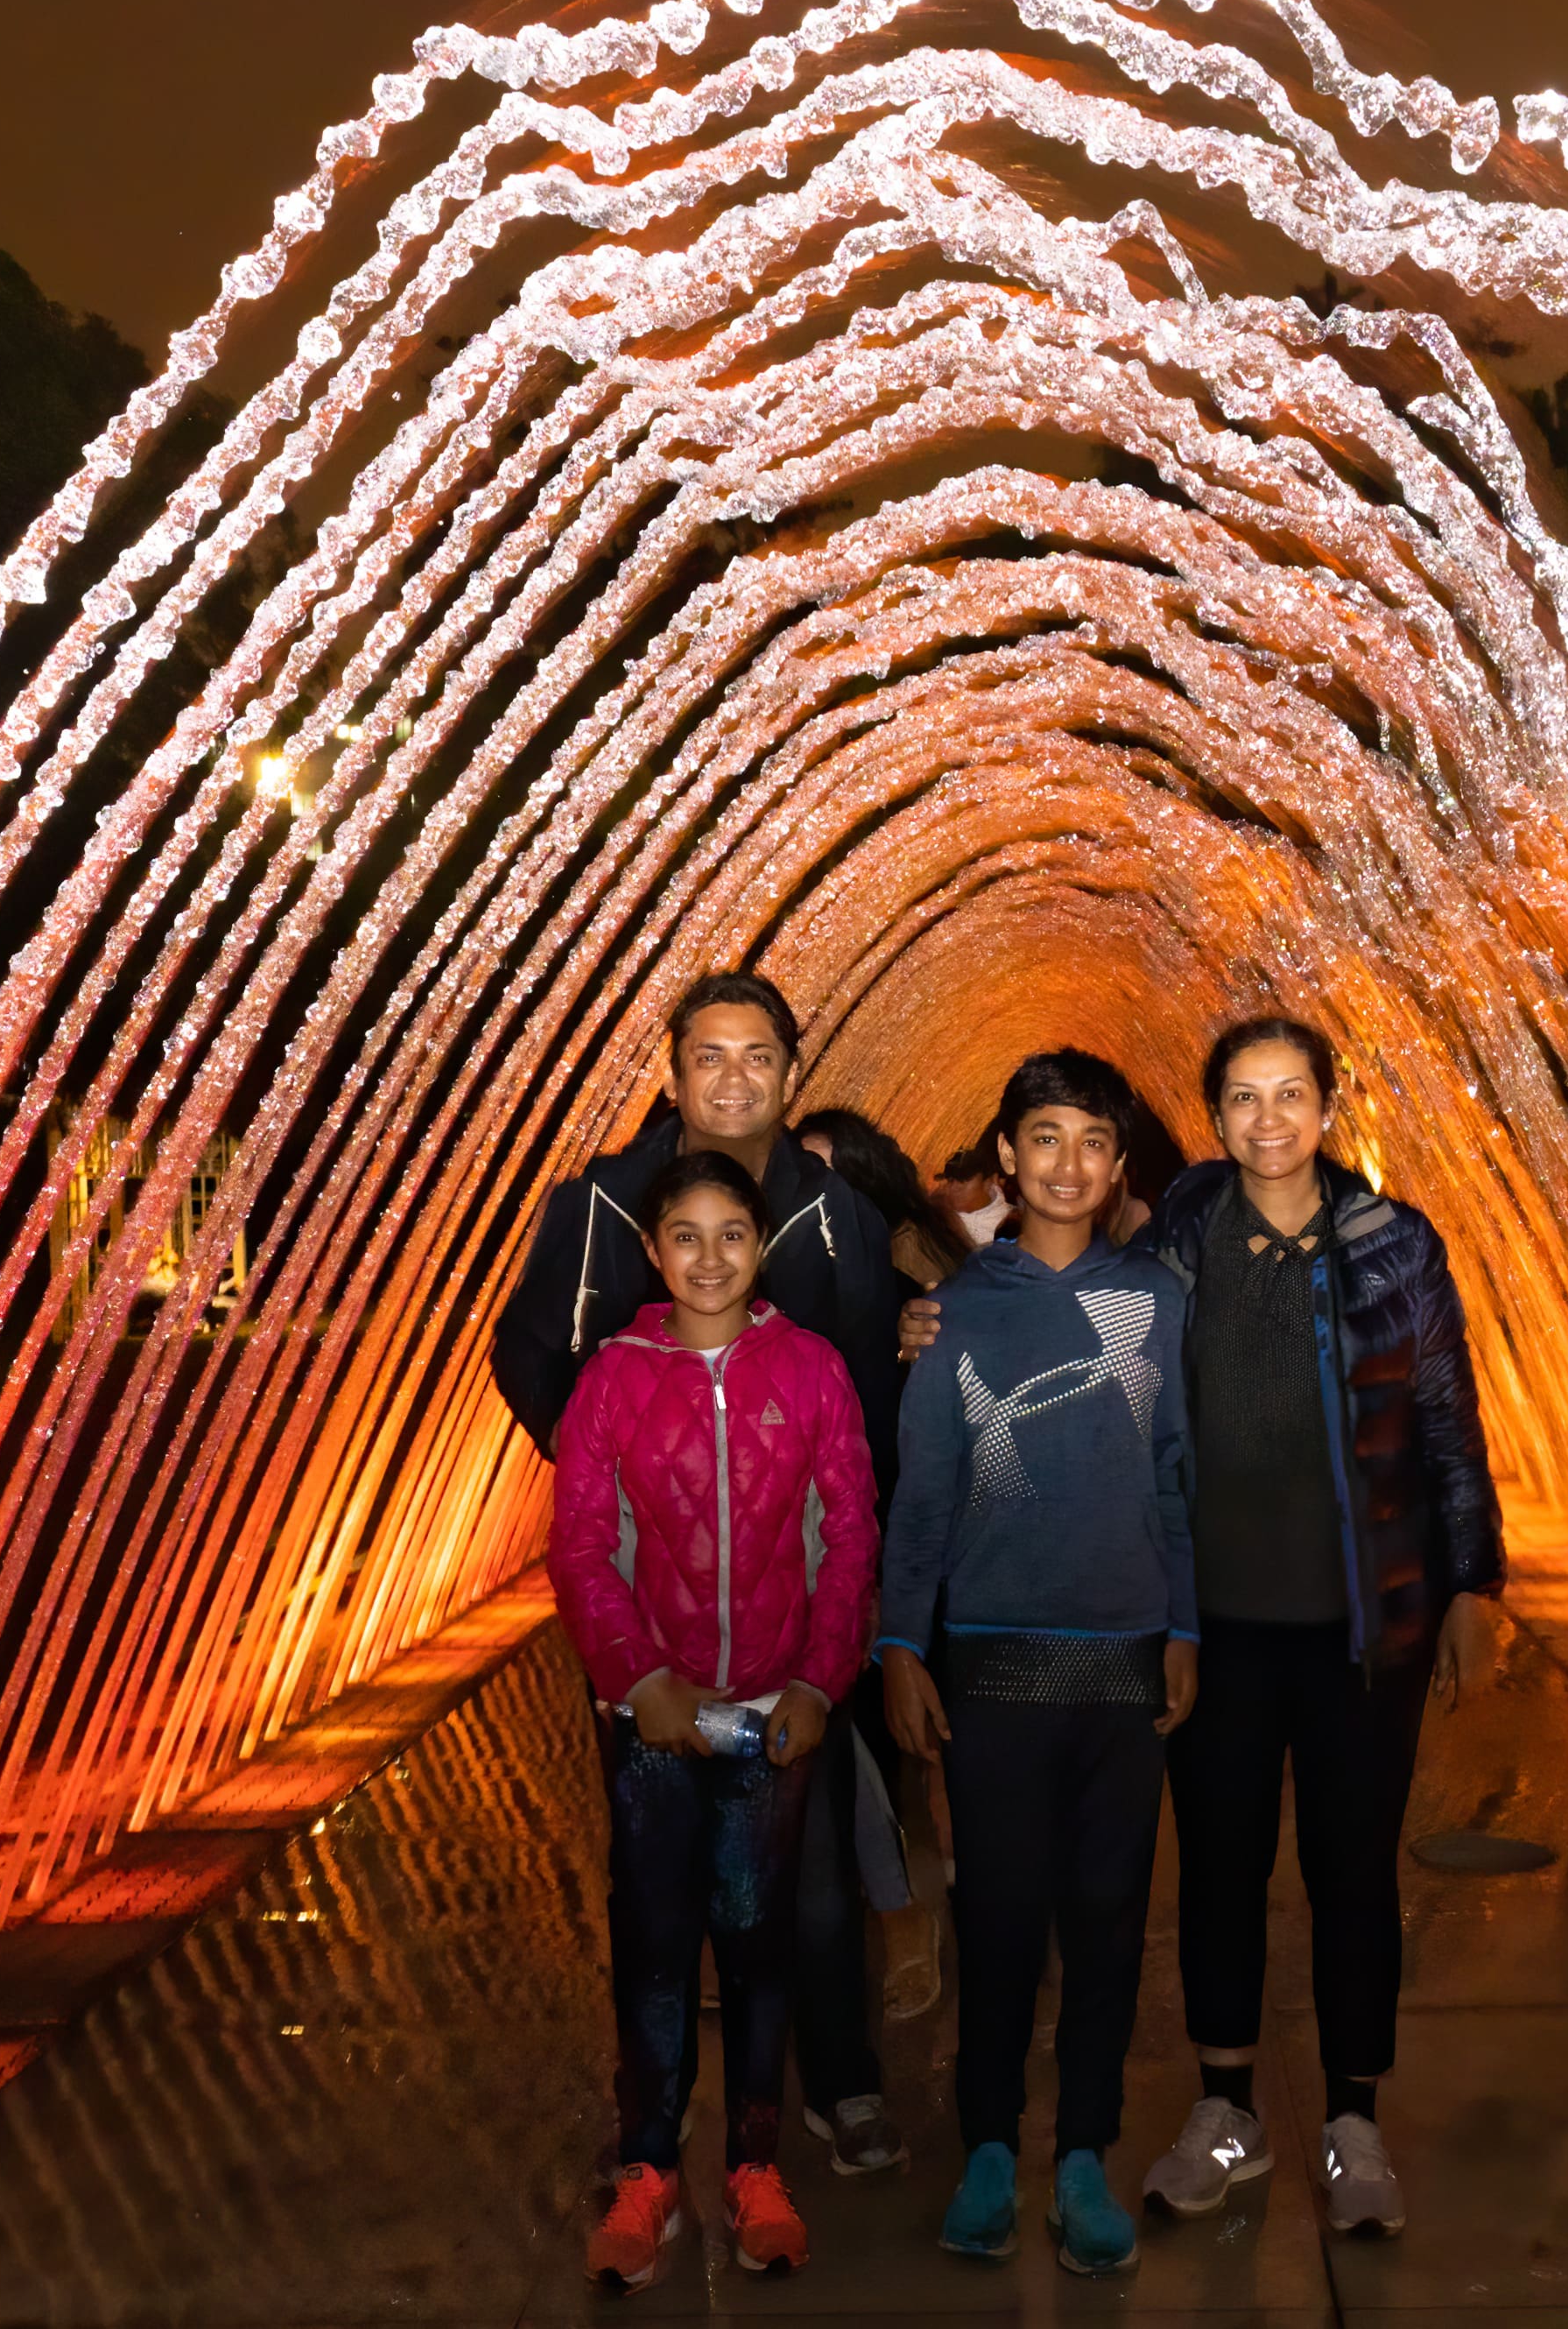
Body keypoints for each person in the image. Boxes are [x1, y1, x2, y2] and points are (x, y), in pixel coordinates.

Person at [490, 971, 914, 2176]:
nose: (735, 1078)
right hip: (649, 1611)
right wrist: (608, 1492)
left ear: (794, 1068)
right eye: (708, 1057)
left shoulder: (836, 1218)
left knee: (815, 1856)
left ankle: (837, 2085)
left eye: (760, 1055)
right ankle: (658, 2123)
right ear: (671, 1075)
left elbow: (869, 1409)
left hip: (789, 1608)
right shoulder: (600, 1209)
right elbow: (527, 1353)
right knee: (657, 1881)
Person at [1135, 1015, 1507, 2241]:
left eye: (1291, 1094)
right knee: (1222, 1870)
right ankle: (1226, 2109)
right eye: (1243, 1098)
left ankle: (1354, 2122)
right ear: (1218, 1116)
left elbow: (1449, 1424)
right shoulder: (1179, 1244)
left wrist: (1473, 1585)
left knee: (1354, 1873)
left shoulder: (1393, 1247)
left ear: (1329, 1108)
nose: (1269, 1120)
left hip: (1364, 1629)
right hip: (1218, 1626)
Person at [877, 1051, 1198, 2279]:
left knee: (1109, 1919)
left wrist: (1185, 1630)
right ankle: (990, 2148)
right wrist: (903, 1644)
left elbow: (1176, 1472)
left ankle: (1084, 2153)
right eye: (1044, 1137)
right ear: (1005, 1155)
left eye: (1092, 1143)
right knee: (997, 1913)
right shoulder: (956, 1311)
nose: (1068, 1163)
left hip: (1122, 1655)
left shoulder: (1157, 1303)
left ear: (1120, 1167)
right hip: (993, 1657)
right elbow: (925, 1498)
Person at [546, 1152, 878, 2290]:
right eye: (683, 1235)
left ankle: (753, 2163)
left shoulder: (814, 1371)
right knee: (649, 1943)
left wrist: (818, 1685)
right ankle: (648, 2172)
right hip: (651, 1723)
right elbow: (581, 1547)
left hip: (768, 1720)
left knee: (757, 1944)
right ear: (652, 1250)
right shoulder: (613, 1379)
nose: (708, 1257)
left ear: (763, 1242)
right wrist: (641, 1681)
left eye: (731, 1232)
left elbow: (849, 1540)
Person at [799, 1105, 974, 1287]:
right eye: (801, 1172)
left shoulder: (902, 1251)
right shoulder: (841, 1241)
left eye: (823, 1172)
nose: (809, 1186)